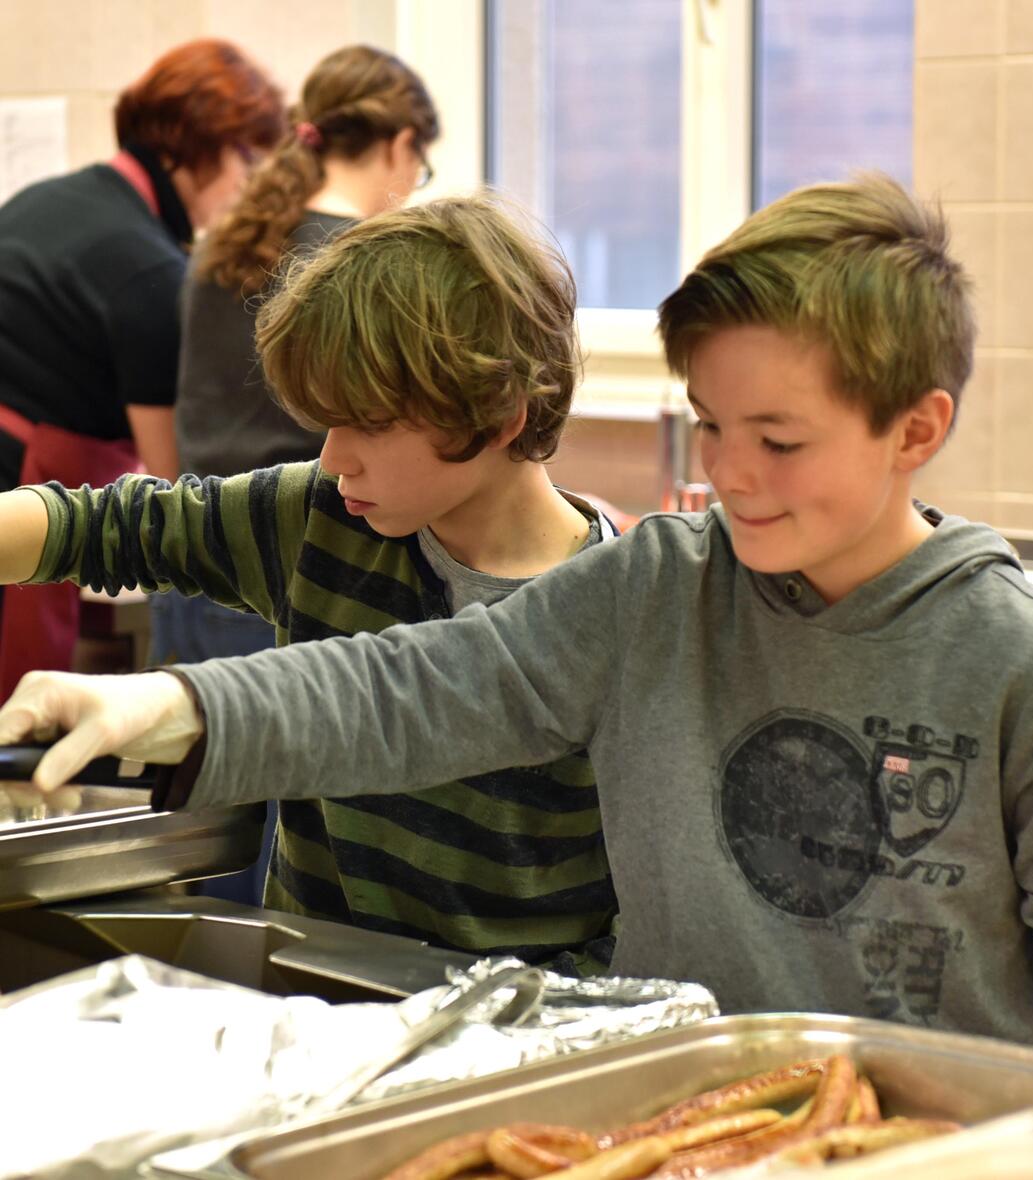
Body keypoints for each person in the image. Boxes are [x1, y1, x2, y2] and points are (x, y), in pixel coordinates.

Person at [0, 174, 1033, 1144]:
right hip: (678, 1123)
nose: (733, 474)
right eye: (710, 427)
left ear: (915, 429)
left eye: (778, 438)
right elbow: (423, 684)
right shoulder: (656, 588)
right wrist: (179, 703)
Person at [0, 194, 619, 971]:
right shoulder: (322, 520)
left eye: (368, 424)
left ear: (497, 419)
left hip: (517, 1047)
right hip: (313, 1013)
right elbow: (113, 525)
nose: (333, 458)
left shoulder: (614, 614)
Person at [154, 44, 439, 905]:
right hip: (298, 572)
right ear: (395, 143)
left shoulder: (226, 246)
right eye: (421, 163)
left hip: (194, 563)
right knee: (280, 873)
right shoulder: (361, 264)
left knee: (195, 852)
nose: (418, 181)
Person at [0, 39, 283, 700]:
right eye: (247, 161)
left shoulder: (51, 199)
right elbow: (172, 477)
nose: (244, 188)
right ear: (208, 145)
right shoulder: (151, 273)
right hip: (21, 484)